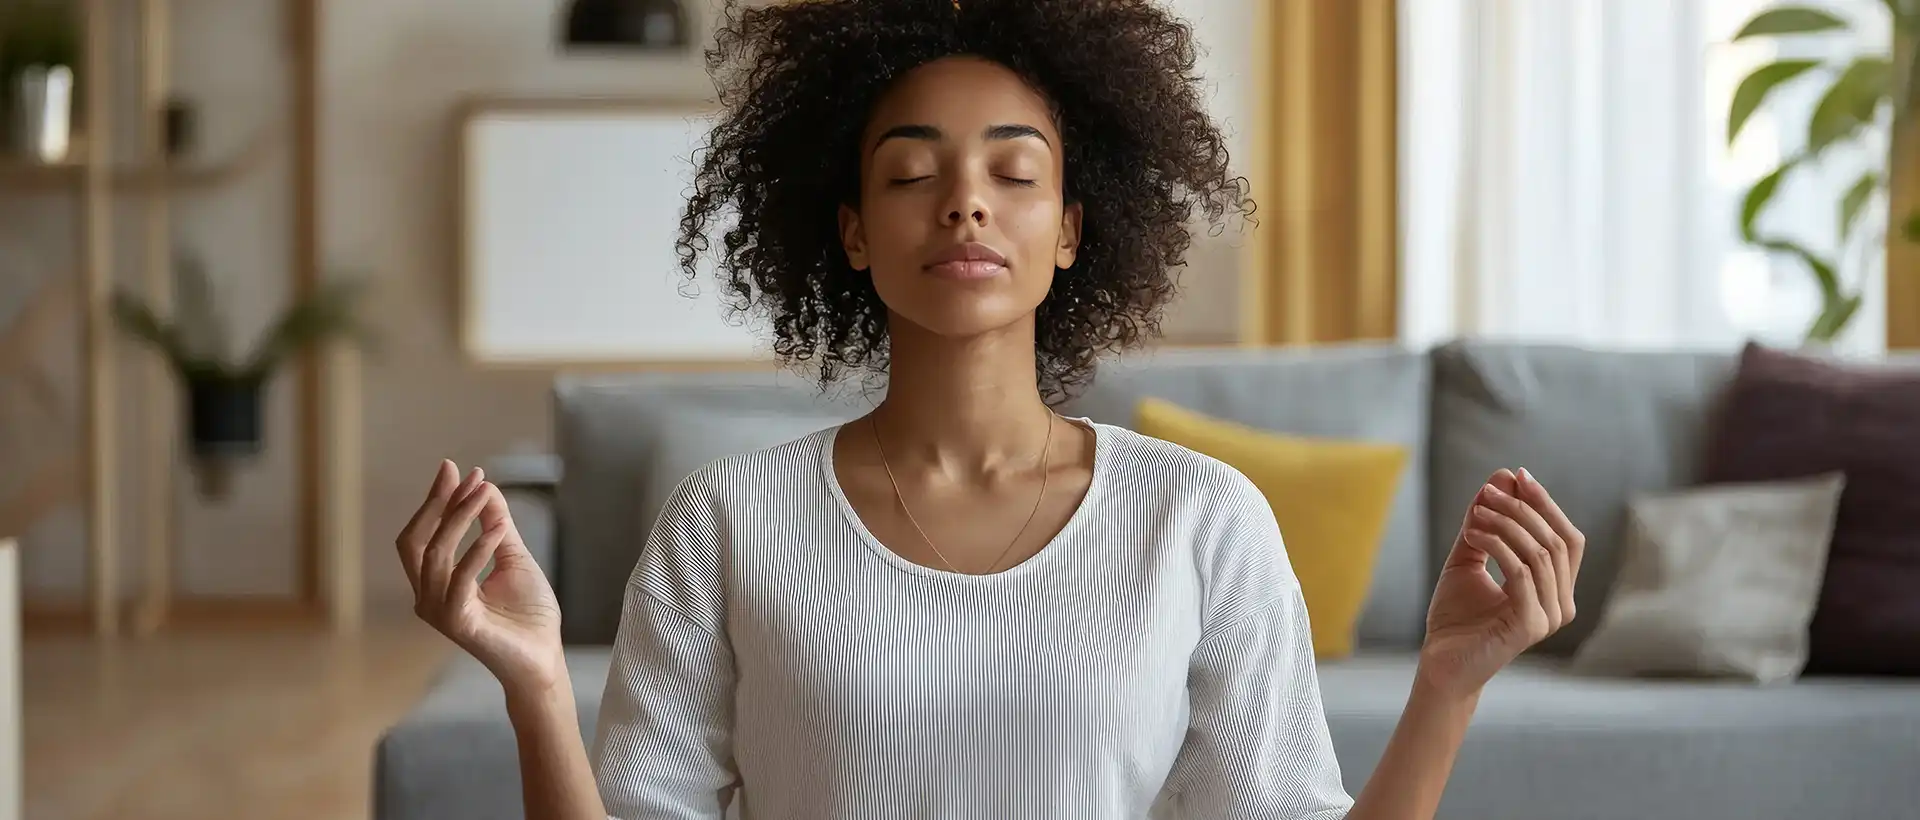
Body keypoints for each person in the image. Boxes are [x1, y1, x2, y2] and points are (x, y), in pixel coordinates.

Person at [395, 1, 1588, 817]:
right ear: (854, 231)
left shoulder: (1200, 519)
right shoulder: (728, 521)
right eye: (912, 175)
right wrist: (538, 682)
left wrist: (1447, 685)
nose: (966, 203)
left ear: (1071, 229)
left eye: (1015, 174)